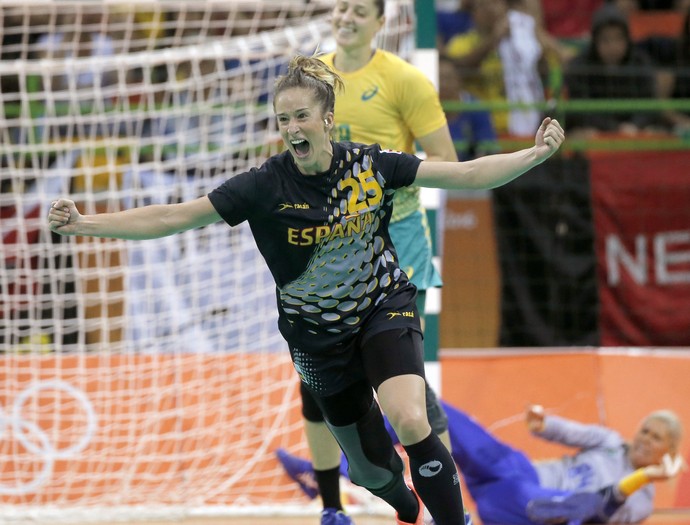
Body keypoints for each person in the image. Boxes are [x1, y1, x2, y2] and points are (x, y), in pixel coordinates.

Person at [48, 53, 565, 525]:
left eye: (300, 116)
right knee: (368, 473)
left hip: (382, 305)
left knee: (410, 417)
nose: (291, 128)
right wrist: (87, 223)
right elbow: (172, 216)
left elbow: (468, 174)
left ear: (326, 121)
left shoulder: (371, 165)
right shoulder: (263, 185)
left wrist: (534, 156)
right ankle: (402, 500)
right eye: (282, 119)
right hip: (316, 340)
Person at [281, 2, 460, 524]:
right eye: (341, 6)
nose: (348, 16)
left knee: (411, 395)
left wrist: (382, 180)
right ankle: (333, 508)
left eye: (361, 8)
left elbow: (445, 163)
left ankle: (448, 511)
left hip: (397, 241)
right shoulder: (312, 82)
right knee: (317, 383)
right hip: (327, 252)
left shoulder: (404, 80)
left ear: (382, 22)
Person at [279, 399, 685, 525]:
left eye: (655, 438)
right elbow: (570, 433)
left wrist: (646, 476)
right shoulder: (612, 443)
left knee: (564, 510)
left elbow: (602, 511)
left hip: (535, 509)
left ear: (669, 451)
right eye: (645, 430)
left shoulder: (643, 501)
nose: (644, 438)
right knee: (431, 413)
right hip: (514, 471)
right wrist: (543, 425)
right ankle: (334, 467)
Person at [563, 3, 664, 137]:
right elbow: (579, 111)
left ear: (627, 39)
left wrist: (635, 125)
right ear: (595, 41)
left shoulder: (640, 63)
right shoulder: (579, 67)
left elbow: (650, 105)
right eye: (605, 40)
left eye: (618, 38)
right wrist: (614, 128)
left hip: (633, 132)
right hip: (595, 134)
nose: (613, 47)